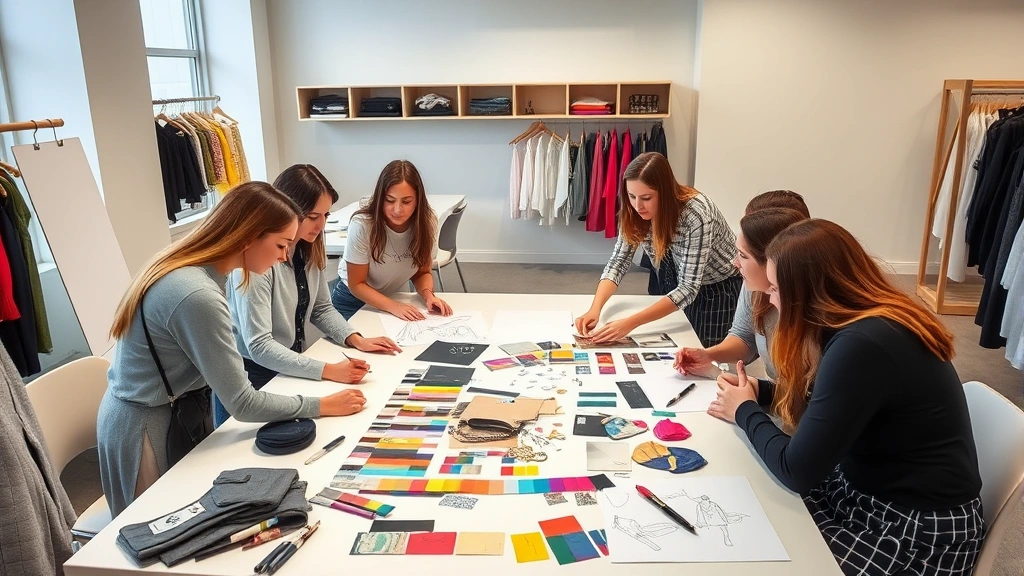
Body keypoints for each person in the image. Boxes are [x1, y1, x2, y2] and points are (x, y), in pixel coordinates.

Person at [708, 219, 984, 576]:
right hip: (873, 493)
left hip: (914, 531)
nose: (770, 299)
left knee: (757, 547)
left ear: (805, 294)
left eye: (775, 290)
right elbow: (833, 406)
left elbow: (797, 470)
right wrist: (760, 392)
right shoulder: (865, 323)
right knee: (753, 507)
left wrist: (745, 411)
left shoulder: (862, 346)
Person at [98, 182, 368, 517]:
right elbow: (242, 403)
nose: (285, 255)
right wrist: (323, 405)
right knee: (152, 534)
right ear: (248, 237)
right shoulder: (197, 295)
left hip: (173, 412)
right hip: (146, 429)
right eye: (281, 244)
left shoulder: (206, 273)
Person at [219, 165, 401, 426]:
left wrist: (355, 339)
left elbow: (321, 308)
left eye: (326, 214)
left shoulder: (307, 247)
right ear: (288, 210)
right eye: (314, 216)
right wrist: (328, 371)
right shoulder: (257, 262)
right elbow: (258, 346)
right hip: (253, 379)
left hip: (289, 365)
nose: (322, 225)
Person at [575, 152, 742, 347]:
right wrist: (595, 309)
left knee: (705, 352)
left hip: (717, 287)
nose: (638, 205)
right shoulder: (633, 210)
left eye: (646, 198)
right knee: (673, 345)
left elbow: (688, 289)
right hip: (677, 278)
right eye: (631, 196)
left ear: (665, 193)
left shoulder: (696, 213)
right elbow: (618, 262)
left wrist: (629, 323)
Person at [675, 190, 810, 379]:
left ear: (774, 257)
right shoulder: (754, 284)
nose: (734, 262)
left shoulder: (819, 318)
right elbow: (744, 336)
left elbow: (808, 398)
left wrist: (745, 398)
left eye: (744, 255)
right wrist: (708, 356)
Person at [331, 160, 452, 320]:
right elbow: (357, 285)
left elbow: (422, 272)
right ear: (380, 198)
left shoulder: (427, 223)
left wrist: (428, 295)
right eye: (389, 200)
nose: (397, 209)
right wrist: (394, 306)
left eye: (406, 201)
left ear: (418, 200)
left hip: (390, 298)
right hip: (352, 301)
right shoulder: (363, 225)